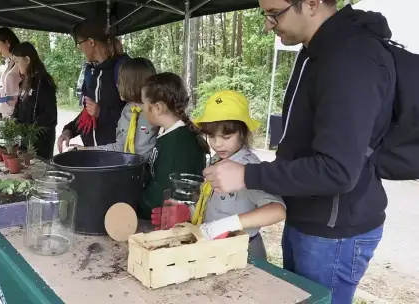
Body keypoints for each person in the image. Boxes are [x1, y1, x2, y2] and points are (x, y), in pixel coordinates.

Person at [204, 1, 395, 302]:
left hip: (333, 232)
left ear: (311, 3)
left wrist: (247, 174)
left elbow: (338, 170)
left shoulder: (351, 59)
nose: (268, 24)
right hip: (306, 219)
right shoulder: (314, 52)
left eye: (274, 13)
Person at [152, 91, 286, 259]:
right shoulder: (216, 160)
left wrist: (229, 224)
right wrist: (188, 212)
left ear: (243, 133)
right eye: (211, 136)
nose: (217, 143)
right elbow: (208, 200)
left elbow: (278, 211)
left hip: (245, 252)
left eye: (226, 136)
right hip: (214, 249)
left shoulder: (250, 167)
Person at [137, 72, 209, 220]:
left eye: (144, 103)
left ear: (157, 108)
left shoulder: (178, 144)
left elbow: (164, 192)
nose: (142, 108)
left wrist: (135, 206)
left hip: (167, 222)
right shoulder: (169, 133)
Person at [57, 18, 129, 152]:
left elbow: (134, 115)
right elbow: (88, 113)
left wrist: (101, 113)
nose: (80, 49)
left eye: (80, 44)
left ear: (91, 42)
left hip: (115, 155)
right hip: (91, 153)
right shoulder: (91, 72)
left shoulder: (122, 69)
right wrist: (69, 130)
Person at [71, 57, 159, 161]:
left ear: (134, 84)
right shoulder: (127, 111)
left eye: (121, 81)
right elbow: (119, 148)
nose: (117, 85)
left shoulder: (157, 113)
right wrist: (87, 150)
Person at [12, 42, 58, 160]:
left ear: (27, 59)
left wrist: (31, 130)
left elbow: (49, 114)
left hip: (40, 141)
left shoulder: (43, 82)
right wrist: (14, 122)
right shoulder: (24, 82)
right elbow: (19, 107)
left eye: (17, 61)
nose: (16, 66)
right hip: (25, 138)